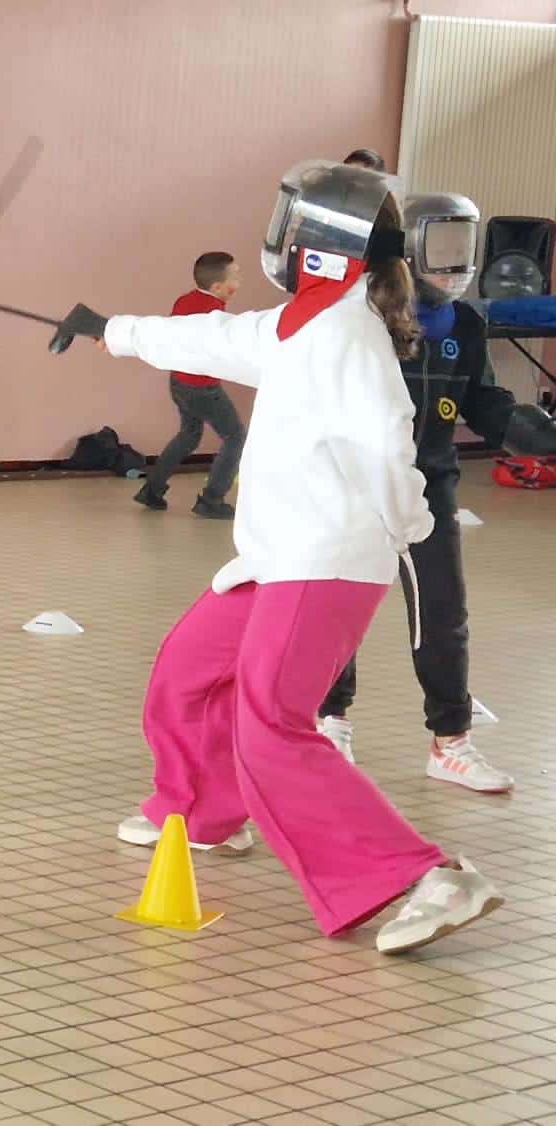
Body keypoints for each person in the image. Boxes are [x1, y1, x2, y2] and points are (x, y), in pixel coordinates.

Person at [61, 160, 504, 954]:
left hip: (325, 557)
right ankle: (204, 816)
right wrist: (113, 331)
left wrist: (406, 527)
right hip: (276, 554)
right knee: (188, 670)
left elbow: (384, 444)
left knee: (272, 724)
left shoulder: (347, 334)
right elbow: (215, 336)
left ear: (316, 242)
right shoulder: (305, 320)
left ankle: (426, 877)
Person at [316, 192, 556, 790]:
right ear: (408, 248)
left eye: (462, 247)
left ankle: (451, 742)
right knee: (336, 612)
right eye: (440, 247)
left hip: (430, 493)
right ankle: (330, 723)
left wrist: (518, 427)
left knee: (443, 617)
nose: (452, 263)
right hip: (352, 489)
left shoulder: (467, 324)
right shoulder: (360, 314)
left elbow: (479, 398)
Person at [133, 251, 246, 518]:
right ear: (218, 288)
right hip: (203, 389)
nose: (240, 281)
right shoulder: (214, 313)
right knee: (235, 437)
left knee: (189, 434)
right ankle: (212, 500)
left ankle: (152, 490)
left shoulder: (184, 301)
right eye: (237, 276)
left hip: (180, 384)